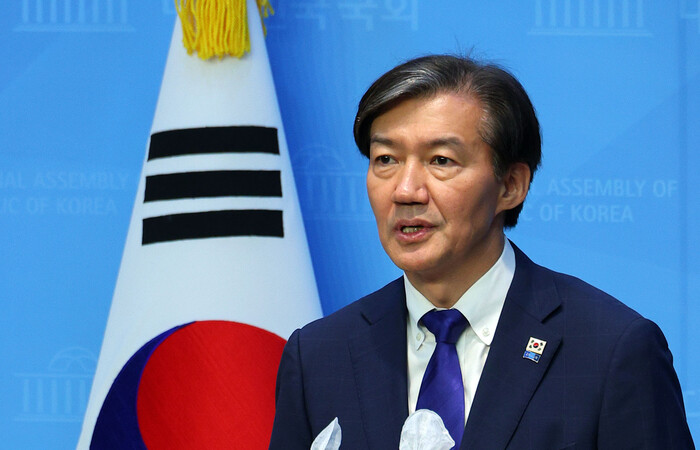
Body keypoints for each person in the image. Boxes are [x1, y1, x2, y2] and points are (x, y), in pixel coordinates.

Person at [269, 55, 695, 449]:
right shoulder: (319, 356)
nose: (405, 190)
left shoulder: (610, 349)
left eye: (440, 160)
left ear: (510, 185)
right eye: (385, 159)